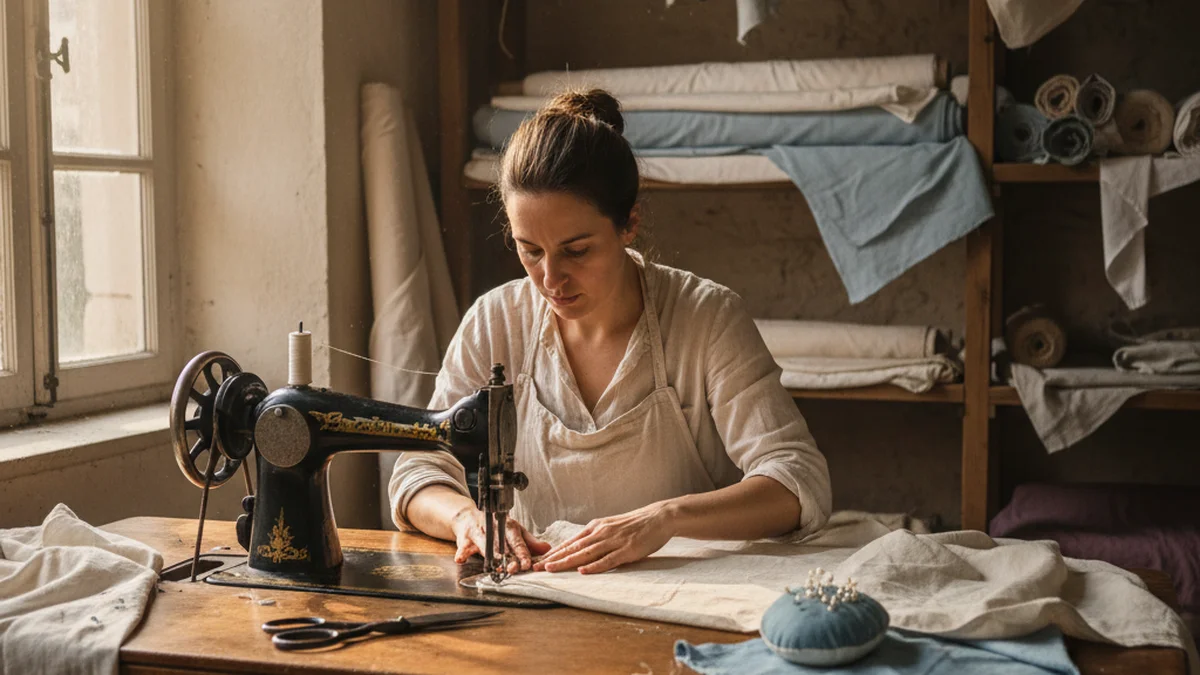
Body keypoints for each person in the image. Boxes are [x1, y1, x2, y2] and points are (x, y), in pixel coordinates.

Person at [389, 88, 831, 575]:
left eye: (576, 251)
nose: (551, 279)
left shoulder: (706, 319)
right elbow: (420, 469)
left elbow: (797, 479)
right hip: (542, 598)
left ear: (629, 224)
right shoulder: (496, 321)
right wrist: (466, 518)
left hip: (678, 599)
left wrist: (665, 518)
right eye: (530, 250)